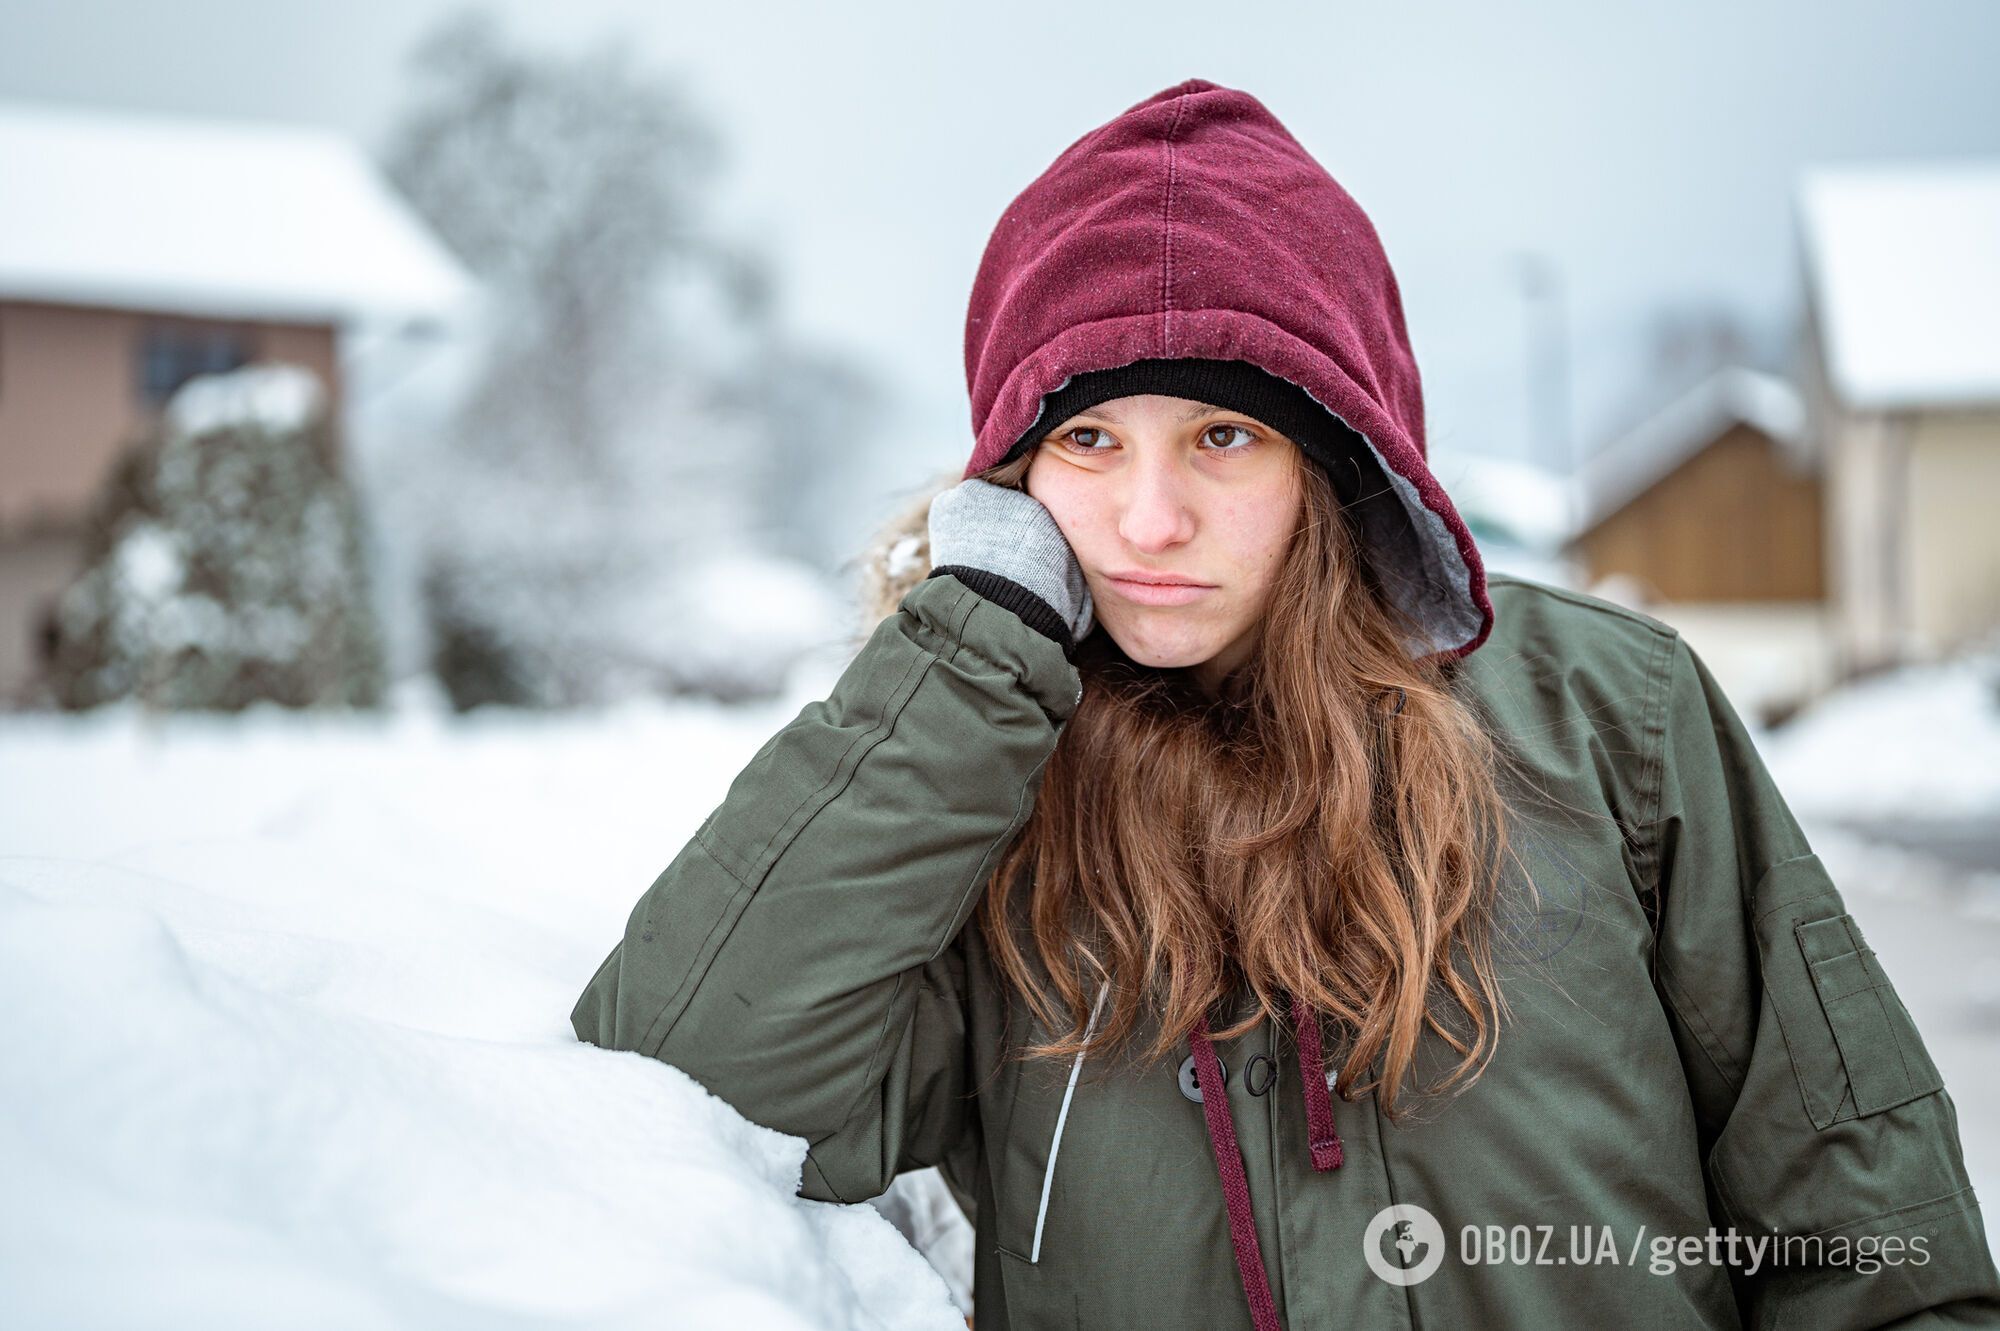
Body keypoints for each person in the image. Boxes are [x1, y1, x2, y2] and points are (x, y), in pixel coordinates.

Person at [571, 78, 2000, 1329]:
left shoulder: (1608, 717)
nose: (1149, 515)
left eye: (1223, 435)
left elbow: (1863, 1217)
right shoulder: (984, 779)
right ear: (1011, 474)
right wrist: (965, 656)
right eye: (1086, 439)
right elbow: (686, 1091)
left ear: (1334, 462)